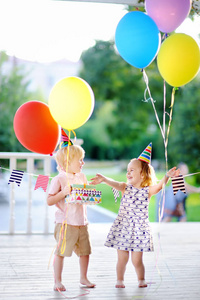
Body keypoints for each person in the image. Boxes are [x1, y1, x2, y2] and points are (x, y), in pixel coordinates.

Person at [90, 143, 179, 289]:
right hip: (123, 227)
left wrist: (167, 177)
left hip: (139, 228)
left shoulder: (147, 191)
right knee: (122, 258)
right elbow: (115, 184)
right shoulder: (126, 187)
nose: (128, 173)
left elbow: (159, 186)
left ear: (142, 174)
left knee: (137, 260)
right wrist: (104, 179)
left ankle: (141, 279)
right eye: (127, 170)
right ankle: (120, 280)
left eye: (132, 170)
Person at [47, 130, 95, 291]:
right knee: (61, 252)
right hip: (65, 223)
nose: (83, 163)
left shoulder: (81, 176)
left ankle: (83, 277)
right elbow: (49, 200)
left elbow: (83, 196)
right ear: (67, 162)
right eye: (80, 160)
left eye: (82, 160)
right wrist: (62, 193)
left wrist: (90, 195)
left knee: (85, 251)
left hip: (81, 221)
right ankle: (57, 281)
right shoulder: (59, 178)